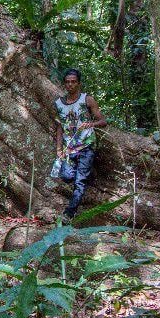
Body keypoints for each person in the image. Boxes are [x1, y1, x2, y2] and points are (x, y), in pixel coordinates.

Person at [54, 69, 107, 220]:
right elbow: (59, 127)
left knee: (79, 182)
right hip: (69, 148)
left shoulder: (87, 100)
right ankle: (87, 175)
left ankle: (69, 213)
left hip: (86, 145)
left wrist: (90, 124)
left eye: (73, 82)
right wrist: (59, 149)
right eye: (67, 82)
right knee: (66, 176)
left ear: (79, 83)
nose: (70, 85)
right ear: (64, 84)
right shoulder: (59, 103)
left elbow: (103, 121)